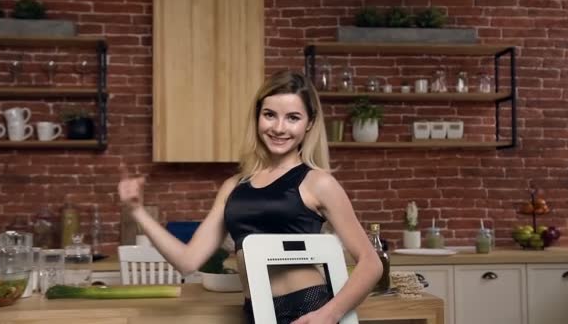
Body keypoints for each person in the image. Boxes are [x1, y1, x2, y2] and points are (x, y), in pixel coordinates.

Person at [118, 70, 383, 324]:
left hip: (307, 307)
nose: (279, 128)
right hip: (256, 311)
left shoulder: (318, 182)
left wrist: (330, 314)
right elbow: (188, 262)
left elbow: (371, 263)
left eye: (293, 118)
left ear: (309, 123)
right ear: (257, 117)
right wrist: (137, 211)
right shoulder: (233, 186)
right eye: (270, 115)